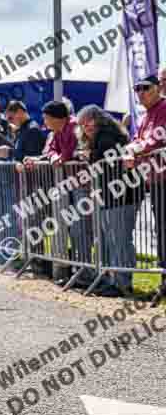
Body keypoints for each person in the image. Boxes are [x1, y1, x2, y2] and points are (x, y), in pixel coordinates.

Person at [77, 105, 134, 297]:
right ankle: (112, 279)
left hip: (121, 194)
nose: (86, 126)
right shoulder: (99, 137)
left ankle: (122, 283)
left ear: (99, 118)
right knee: (111, 240)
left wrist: (90, 158)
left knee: (119, 239)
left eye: (89, 121)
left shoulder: (107, 136)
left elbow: (103, 164)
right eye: (83, 123)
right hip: (110, 194)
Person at [123, 75, 166, 280]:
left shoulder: (164, 109)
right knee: (161, 231)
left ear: (157, 88)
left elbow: (155, 139)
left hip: (163, 179)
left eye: (145, 88)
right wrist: (133, 149)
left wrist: (135, 151)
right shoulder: (146, 115)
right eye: (137, 88)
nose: (140, 92)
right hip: (154, 182)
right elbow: (135, 139)